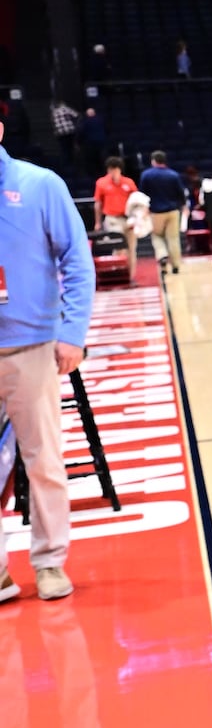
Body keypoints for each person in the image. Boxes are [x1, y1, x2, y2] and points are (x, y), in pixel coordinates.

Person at [0, 108, 94, 605]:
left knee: (42, 460)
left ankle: (50, 561)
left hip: (32, 345)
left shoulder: (40, 185)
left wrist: (71, 331)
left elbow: (77, 258)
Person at [138, 149, 188, 274]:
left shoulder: (146, 175)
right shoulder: (173, 175)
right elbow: (181, 194)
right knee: (173, 238)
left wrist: (144, 210)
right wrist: (184, 207)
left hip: (155, 212)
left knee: (157, 236)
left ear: (153, 161)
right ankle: (176, 265)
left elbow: (142, 195)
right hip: (173, 211)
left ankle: (162, 256)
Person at [92, 155, 137, 243]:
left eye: (115, 169)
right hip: (112, 219)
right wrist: (98, 222)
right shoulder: (101, 183)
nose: (113, 172)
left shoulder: (129, 182)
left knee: (131, 247)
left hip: (128, 219)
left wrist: (137, 217)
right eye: (111, 169)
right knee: (118, 245)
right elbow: (98, 204)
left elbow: (136, 201)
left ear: (120, 169)